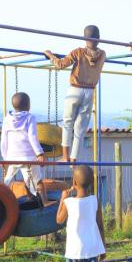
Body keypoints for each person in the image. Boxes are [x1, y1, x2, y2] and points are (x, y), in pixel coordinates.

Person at [43, 25, 106, 163]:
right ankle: (73, 157)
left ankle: (65, 156)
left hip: (75, 89)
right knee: (80, 126)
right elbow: (93, 57)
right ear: (99, 39)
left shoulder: (78, 52)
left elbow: (60, 64)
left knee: (67, 122)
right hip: (90, 91)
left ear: (84, 38)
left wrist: (50, 55)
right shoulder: (103, 54)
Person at [56, 165, 106, 262]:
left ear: (74, 182)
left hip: (74, 253)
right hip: (91, 251)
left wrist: (62, 199)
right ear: (91, 183)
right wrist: (103, 248)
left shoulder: (69, 202)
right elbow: (101, 226)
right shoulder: (94, 201)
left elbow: (59, 219)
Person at [1, 92, 51, 205]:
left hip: (12, 157)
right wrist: (40, 154)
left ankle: (5, 197)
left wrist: (4, 158)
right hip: (28, 156)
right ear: (28, 105)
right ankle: (45, 201)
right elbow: (32, 136)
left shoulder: (7, 119)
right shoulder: (30, 117)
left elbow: (4, 140)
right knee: (37, 179)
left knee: (8, 179)